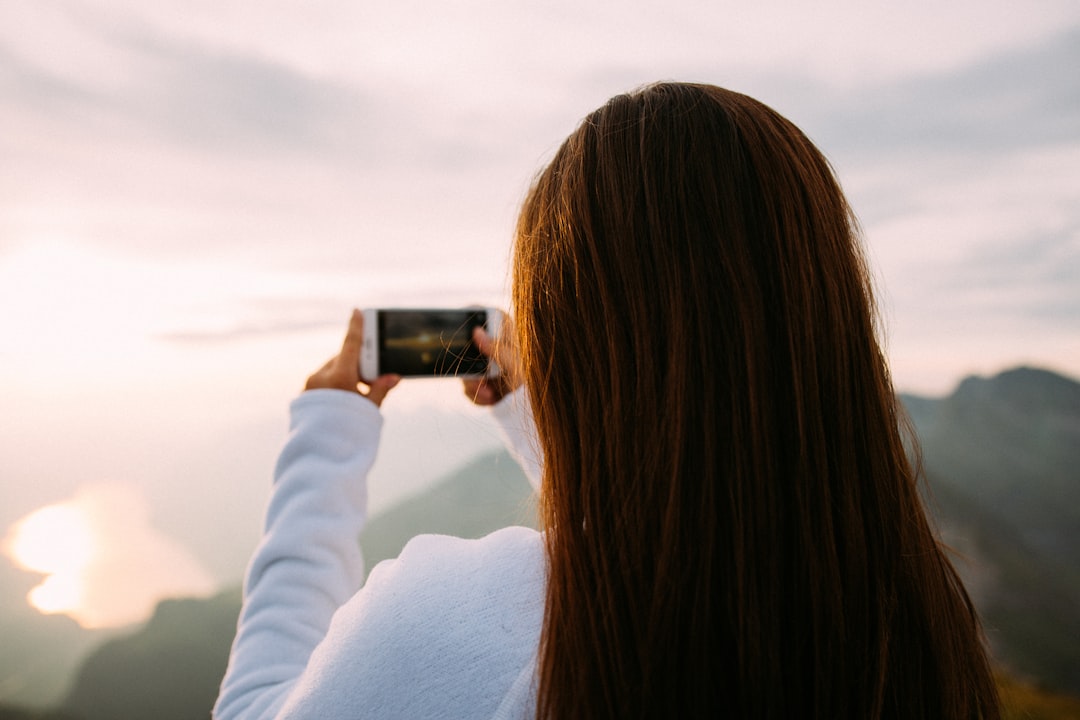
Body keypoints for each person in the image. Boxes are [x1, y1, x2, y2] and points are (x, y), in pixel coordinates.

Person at [214, 82, 1001, 719]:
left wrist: (328, 433)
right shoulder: (910, 618)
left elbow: (256, 708)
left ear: (574, 340)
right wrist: (539, 419)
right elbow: (672, 525)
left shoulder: (448, 626)